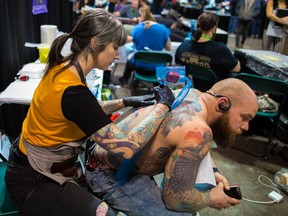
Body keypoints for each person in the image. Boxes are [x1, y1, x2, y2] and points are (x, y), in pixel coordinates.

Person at [4, 9, 175, 216]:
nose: (117, 54)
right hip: (33, 180)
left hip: (31, 164)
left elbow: (88, 111)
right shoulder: (72, 92)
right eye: (114, 47)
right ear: (94, 43)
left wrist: (126, 101)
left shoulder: (65, 67)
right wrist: (162, 106)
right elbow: (126, 148)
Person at [86, 78, 259, 215]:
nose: (246, 127)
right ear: (222, 103)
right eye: (244, 118)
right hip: (108, 176)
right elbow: (175, 199)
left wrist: (213, 171)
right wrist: (211, 199)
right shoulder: (198, 129)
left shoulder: (192, 94)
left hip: (101, 154)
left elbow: (192, 138)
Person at [175, 12, 241, 81]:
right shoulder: (220, 49)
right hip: (217, 89)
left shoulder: (184, 45)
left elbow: (177, 65)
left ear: (197, 25)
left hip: (196, 87)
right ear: (214, 28)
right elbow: (236, 68)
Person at [118, 6, 171, 86]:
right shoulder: (163, 29)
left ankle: (125, 79)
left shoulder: (137, 29)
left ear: (139, 17)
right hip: (158, 69)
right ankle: (160, 87)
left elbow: (135, 45)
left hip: (140, 67)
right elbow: (169, 48)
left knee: (130, 61)